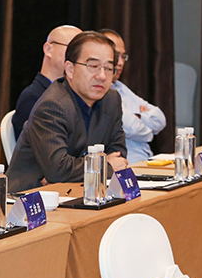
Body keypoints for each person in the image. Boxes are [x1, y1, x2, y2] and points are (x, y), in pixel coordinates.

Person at [7, 31, 128, 192]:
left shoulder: (111, 99)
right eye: (93, 66)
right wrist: (104, 166)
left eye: (108, 68)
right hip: (32, 197)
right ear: (70, 69)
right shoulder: (52, 105)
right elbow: (58, 170)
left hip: (82, 191)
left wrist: (84, 169)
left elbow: (118, 154)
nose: (102, 76)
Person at [99, 29, 166, 164]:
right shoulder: (100, 91)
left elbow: (160, 119)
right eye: (115, 55)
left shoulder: (120, 87)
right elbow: (132, 128)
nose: (120, 62)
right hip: (126, 164)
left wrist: (139, 116)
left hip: (146, 160)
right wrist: (149, 132)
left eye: (123, 56)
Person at [11, 25, 82, 135]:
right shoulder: (34, 97)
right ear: (48, 49)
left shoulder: (77, 96)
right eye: (73, 48)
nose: (80, 57)